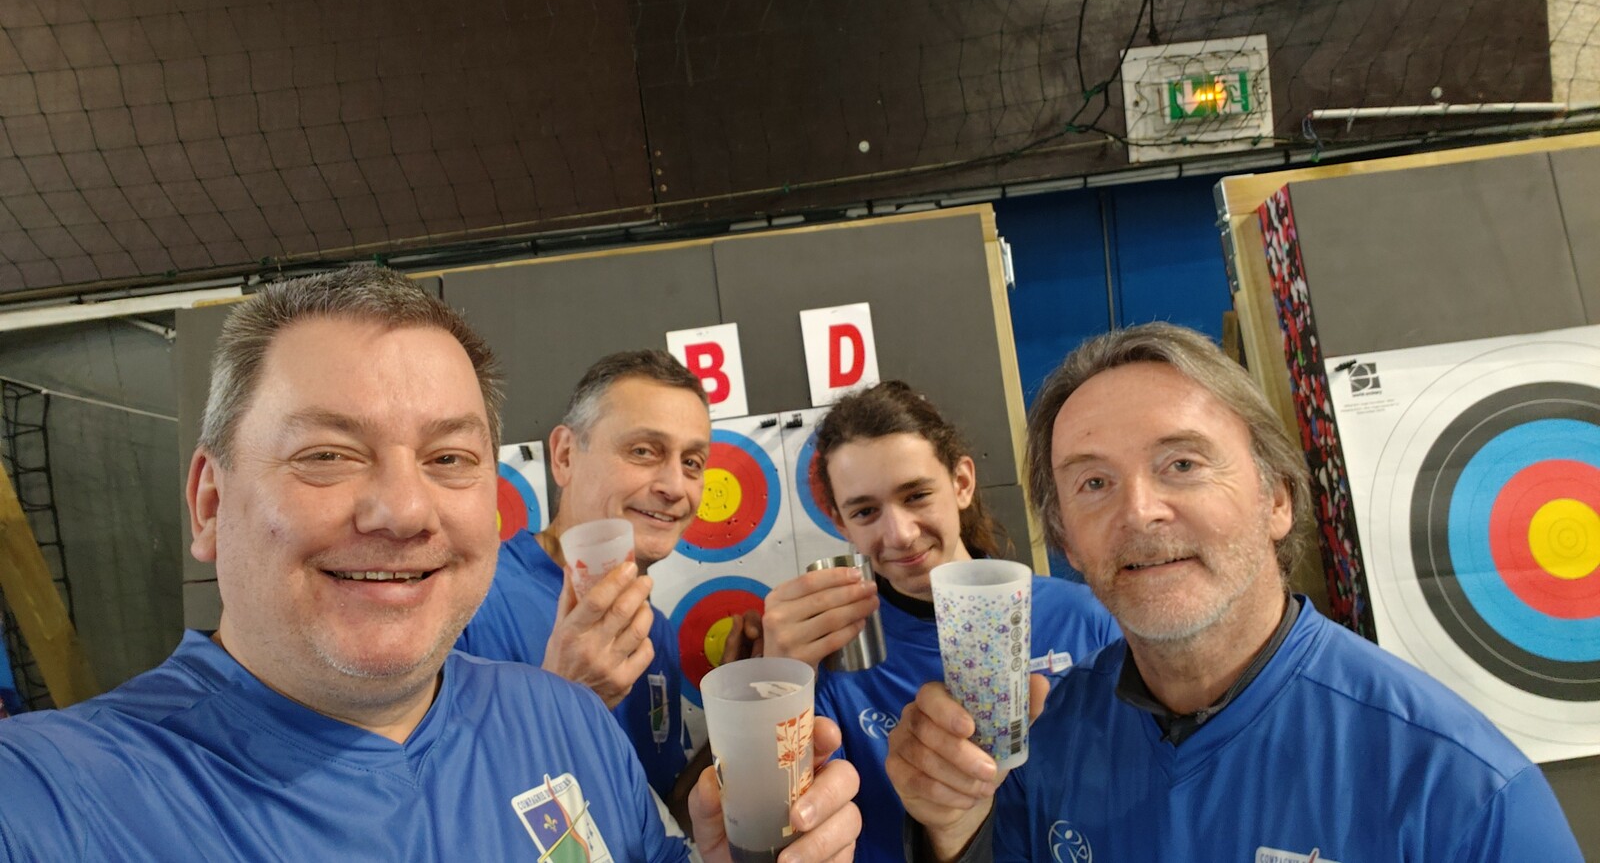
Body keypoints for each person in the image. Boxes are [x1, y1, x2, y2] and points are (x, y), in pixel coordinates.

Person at [0, 265, 861, 861]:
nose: (405, 511)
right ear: (210, 503)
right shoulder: (55, 797)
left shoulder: (567, 720)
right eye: (329, 454)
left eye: (448, 458)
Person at [885, 322, 1582, 861]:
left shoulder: (1460, 787)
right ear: (1067, 539)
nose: (1139, 512)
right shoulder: (1047, 746)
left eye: (1182, 464)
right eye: (1094, 482)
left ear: (1277, 498)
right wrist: (952, 830)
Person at [760, 380, 1118, 863]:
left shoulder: (1085, 617)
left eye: (916, 495)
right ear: (842, 524)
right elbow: (788, 830)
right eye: (865, 511)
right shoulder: (833, 658)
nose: (899, 534)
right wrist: (776, 687)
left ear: (962, 483)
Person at [456, 350, 723, 812]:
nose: (676, 486)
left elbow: (659, 810)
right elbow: (443, 813)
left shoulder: (655, 631)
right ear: (564, 456)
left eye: (693, 462)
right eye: (644, 451)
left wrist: (741, 701)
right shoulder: (470, 600)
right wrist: (563, 699)